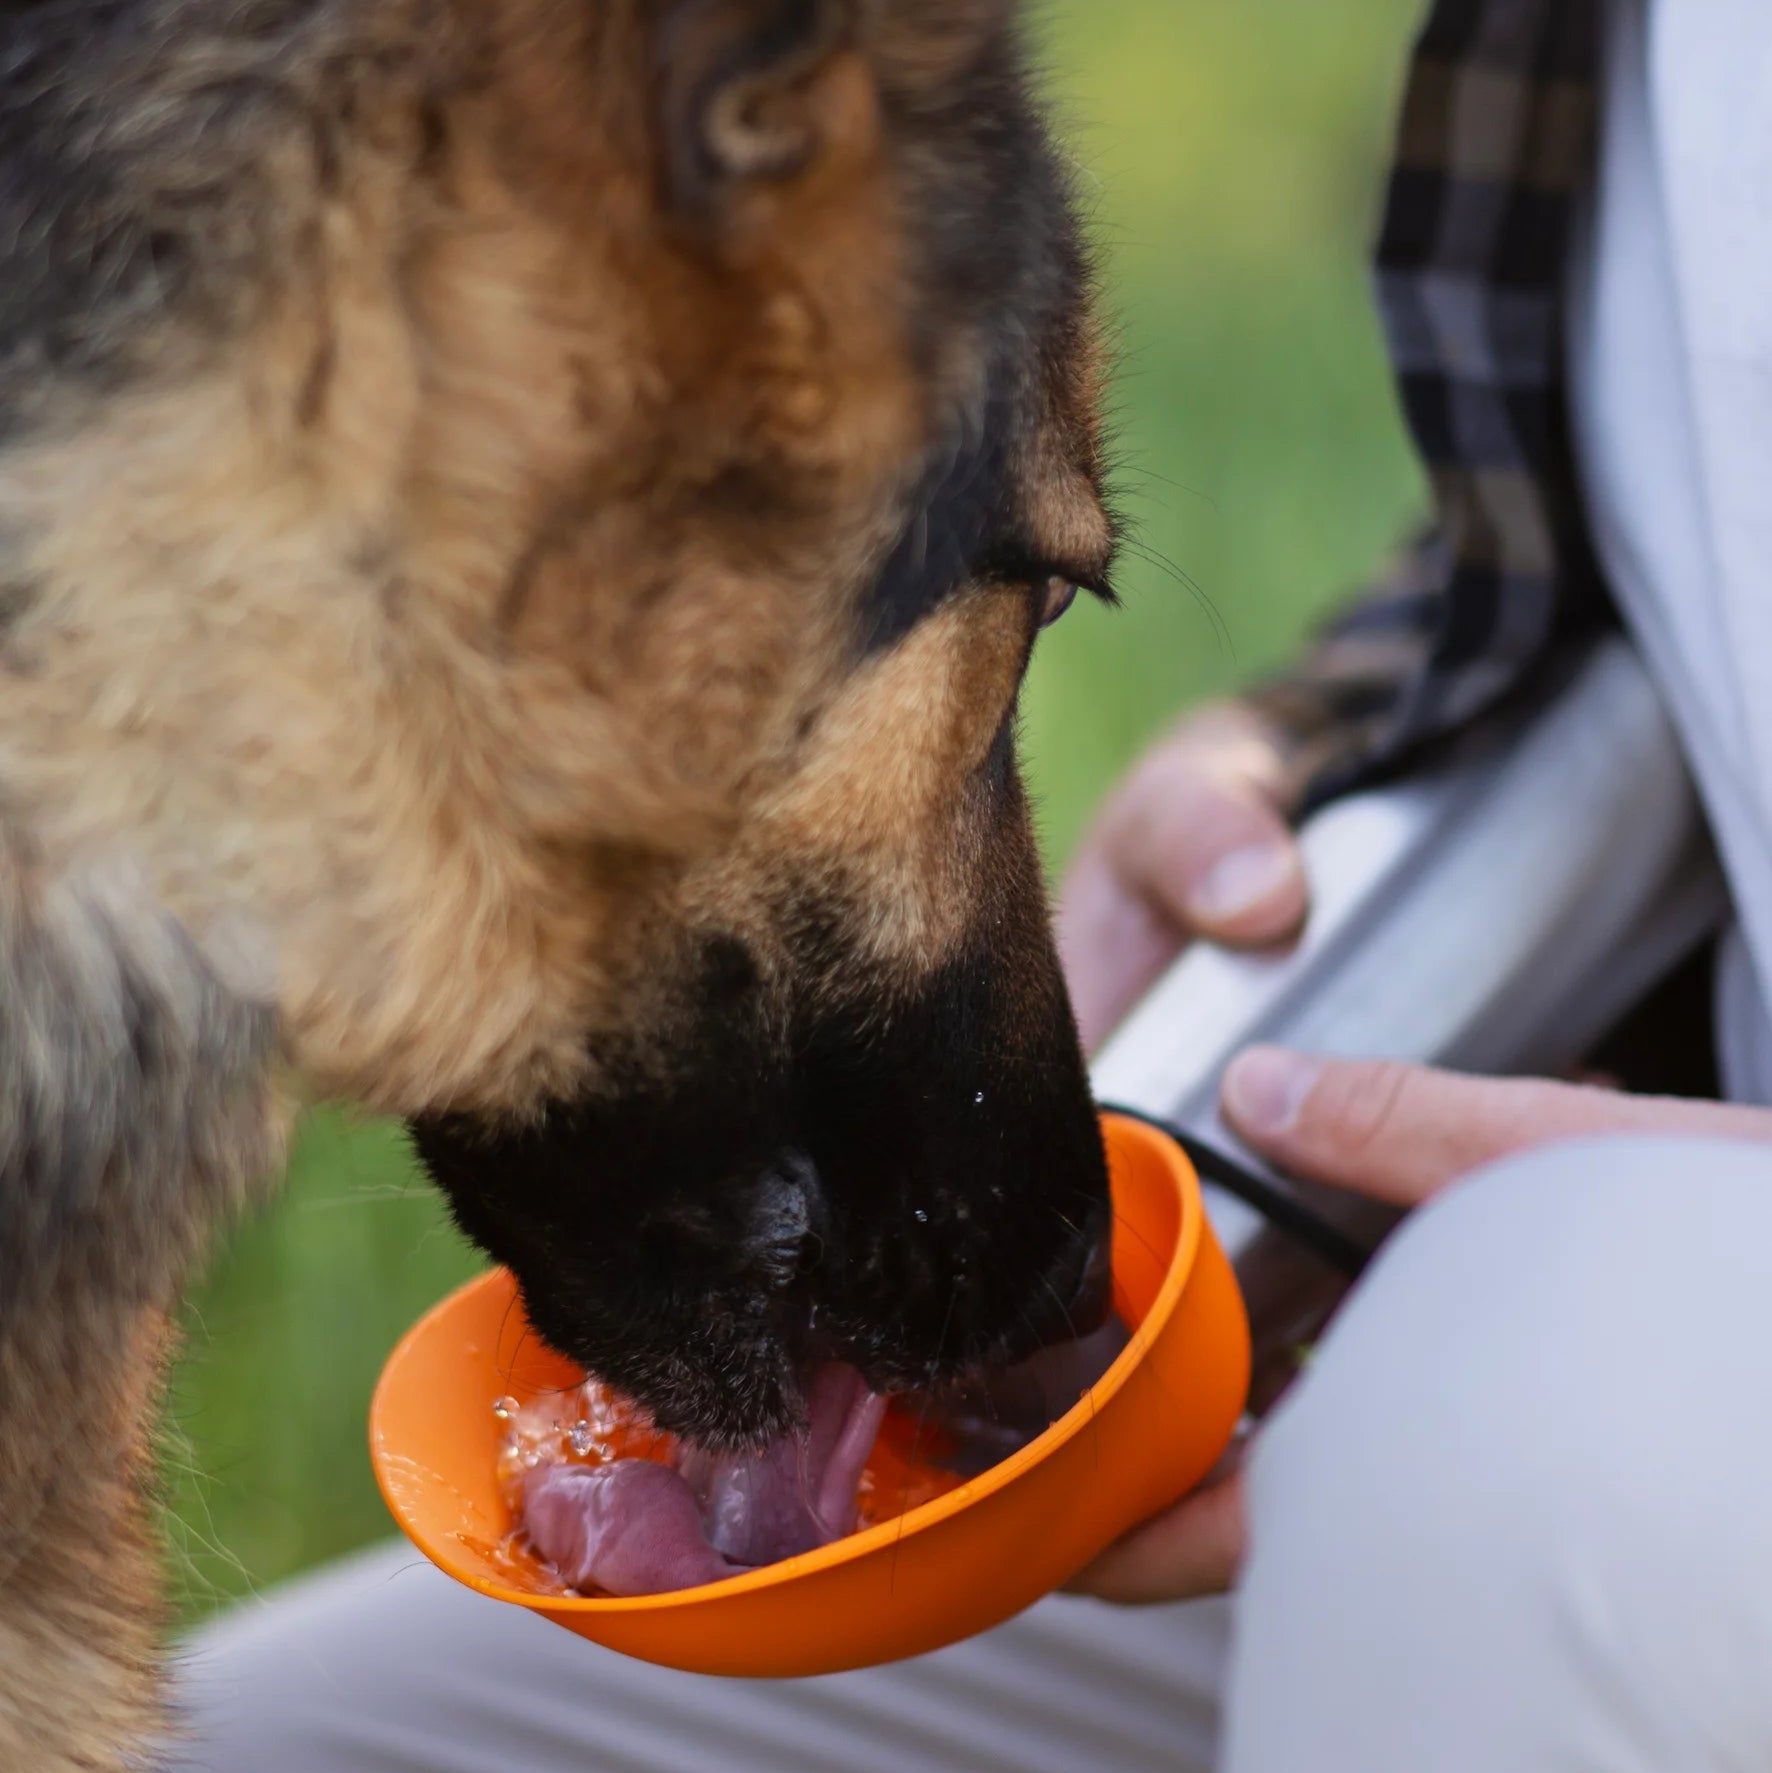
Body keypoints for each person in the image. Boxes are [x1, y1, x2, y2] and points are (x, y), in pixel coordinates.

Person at [167, 0, 1772, 1767]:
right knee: (257, 1747)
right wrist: (1313, 755)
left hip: (1599, 1404)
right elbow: (1671, 533)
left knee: (1538, 1363)